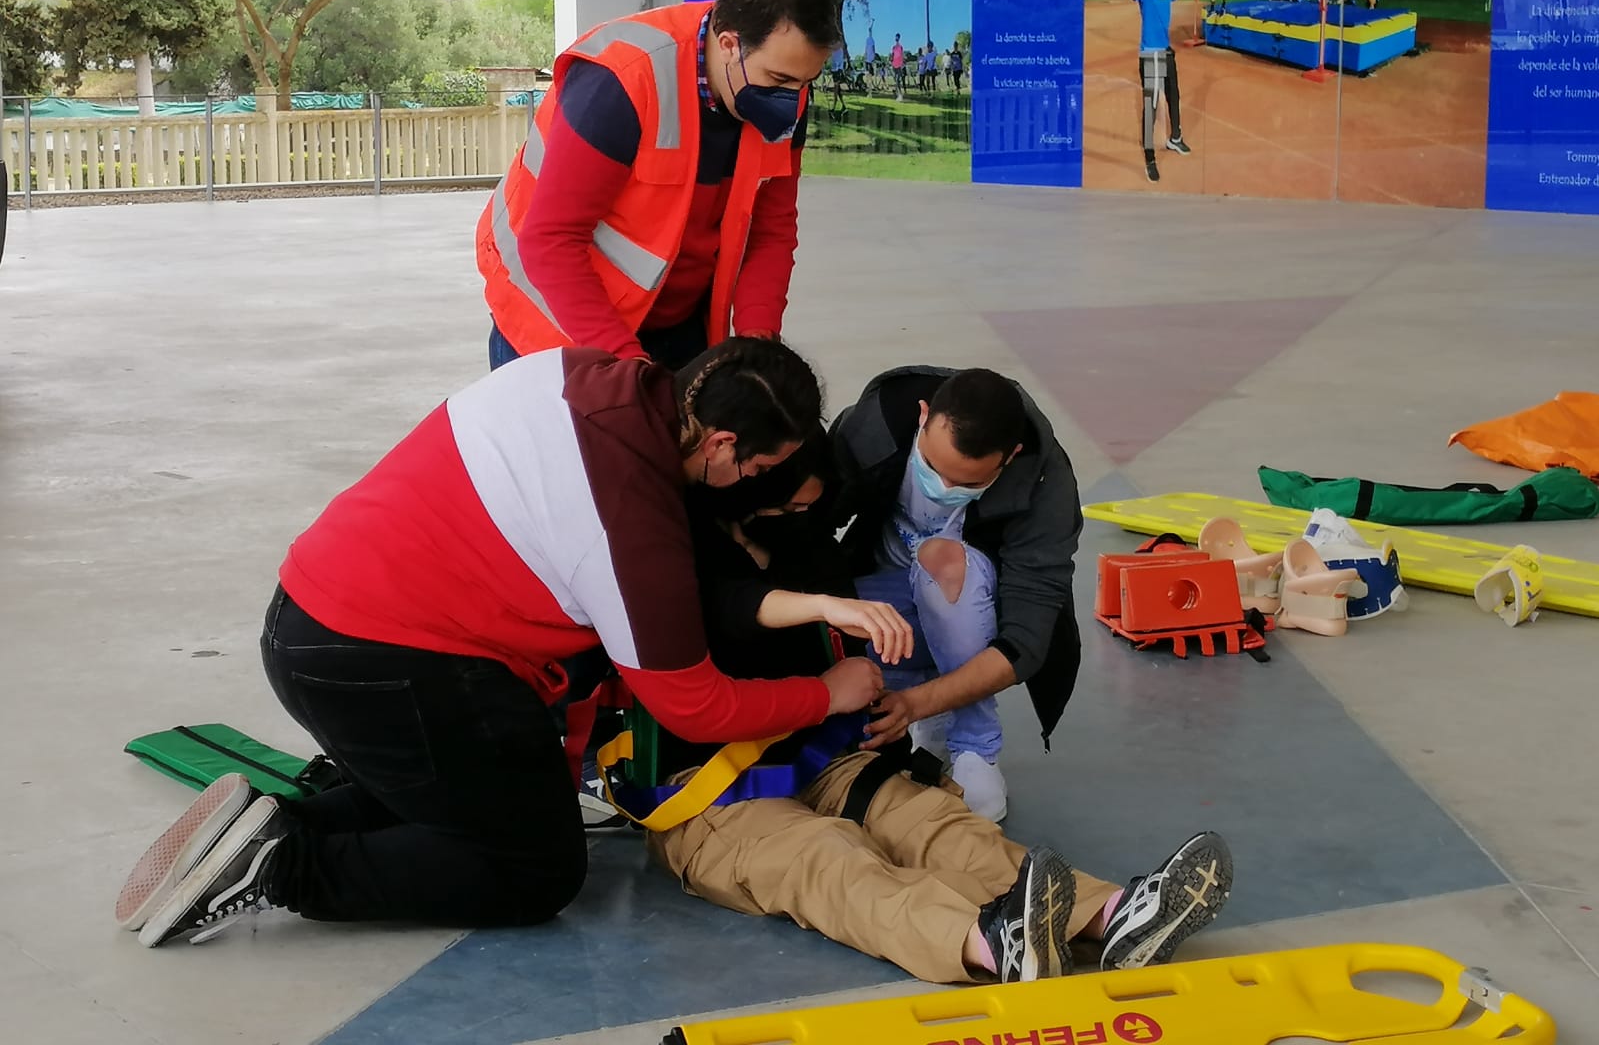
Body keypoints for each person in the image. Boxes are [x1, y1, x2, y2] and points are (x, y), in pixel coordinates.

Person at [114, 338, 888, 949]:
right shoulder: (630, 523)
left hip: (306, 616)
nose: (751, 482)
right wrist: (829, 693)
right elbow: (691, 704)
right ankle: (283, 867)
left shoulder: (576, 370)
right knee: (532, 869)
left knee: (490, 802)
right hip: (386, 666)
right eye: (758, 466)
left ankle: (252, 831)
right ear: (718, 444)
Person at [655, 449, 1236, 983]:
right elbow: (716, 638)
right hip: (705, 790)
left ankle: (1111, 916)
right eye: (787, 500)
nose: (799, 511)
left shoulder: (797, 540)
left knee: (934, 826)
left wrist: (874, 709)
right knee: (828, 860)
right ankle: (987, 942)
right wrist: (826, 685)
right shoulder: (660, 561)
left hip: (816, 755)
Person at [476, 0, 839, 373]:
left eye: (806, 82)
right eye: (779, 81)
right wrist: (630, 370)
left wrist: (756, 347)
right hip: (554, 324)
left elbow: (771, 230)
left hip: (677, 322)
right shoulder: (620, 80)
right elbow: (551, 240)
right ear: (728, 44)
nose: (794, 98)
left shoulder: (783, 86)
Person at [824, 367, 1083, 823]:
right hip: (886, 601)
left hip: (973, 608)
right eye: (931, 468)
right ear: (923, 417)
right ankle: (928, 718)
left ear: (1011, 457)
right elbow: (808, 523)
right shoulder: (876, 424)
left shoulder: (1046, 484)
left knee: (941, 557)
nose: (944, 489)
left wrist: (915, 704)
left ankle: (975, 747)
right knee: (819, 613)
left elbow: (1025, 639)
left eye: (967, 485)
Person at [1086, 0, 1214, 184]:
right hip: (1150, 54)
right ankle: (1150, 158)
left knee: (1173, 96)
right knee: (1151, 107)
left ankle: (1175, 138)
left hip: (1167, 52)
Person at [891, 32, 907, 98]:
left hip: (899, 66)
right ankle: (898, 93)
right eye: (895, 37)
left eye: (897, 37)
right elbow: (892, 56)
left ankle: (900, 95)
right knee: (896, 80)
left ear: (899, 38)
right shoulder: (893, 47)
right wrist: (891, 61)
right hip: (894, 66)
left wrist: (903, 62)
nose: (896, 38)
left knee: (898, 80)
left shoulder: (900, 47)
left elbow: (902, 56)